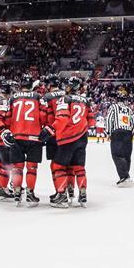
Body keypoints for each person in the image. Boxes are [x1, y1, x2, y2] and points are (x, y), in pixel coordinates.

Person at [49, 76, 94, 208]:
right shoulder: (86, 101)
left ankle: (62, 196)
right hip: (82, 139)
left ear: (70, 87)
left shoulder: (65, 99)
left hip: (67, 138)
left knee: (58, 167)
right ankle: (83, 193)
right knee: (79, 168)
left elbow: (62, 118)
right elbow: (91, 121)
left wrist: (51, 129)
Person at [4, 75, 45, 207]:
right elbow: (44, 116)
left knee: (17, 168)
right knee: (32, 167)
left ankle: (17, 192)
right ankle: (30, 193)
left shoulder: (13, 97)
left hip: (17, 136)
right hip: (35, 137)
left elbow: (7, 117)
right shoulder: (38, 97)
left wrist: (8, 130)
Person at [41, 76, 67, 200]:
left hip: (53, 133)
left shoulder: (47, 97)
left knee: (55, 165)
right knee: (69, 165)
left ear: (49, 85)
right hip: (68, 134)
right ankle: (69, 190)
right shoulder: (67, 94)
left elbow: (43, 116)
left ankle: (60, 191)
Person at [105, 96, 134, 186]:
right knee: (127, 156)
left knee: (117, 155)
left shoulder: (113, 107)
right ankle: (127, 176)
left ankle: (124, 177)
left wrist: (108, 133)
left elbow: (108, 119)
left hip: (117, 132)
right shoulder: (128, 109)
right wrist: (131, 135)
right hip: (128, 133)